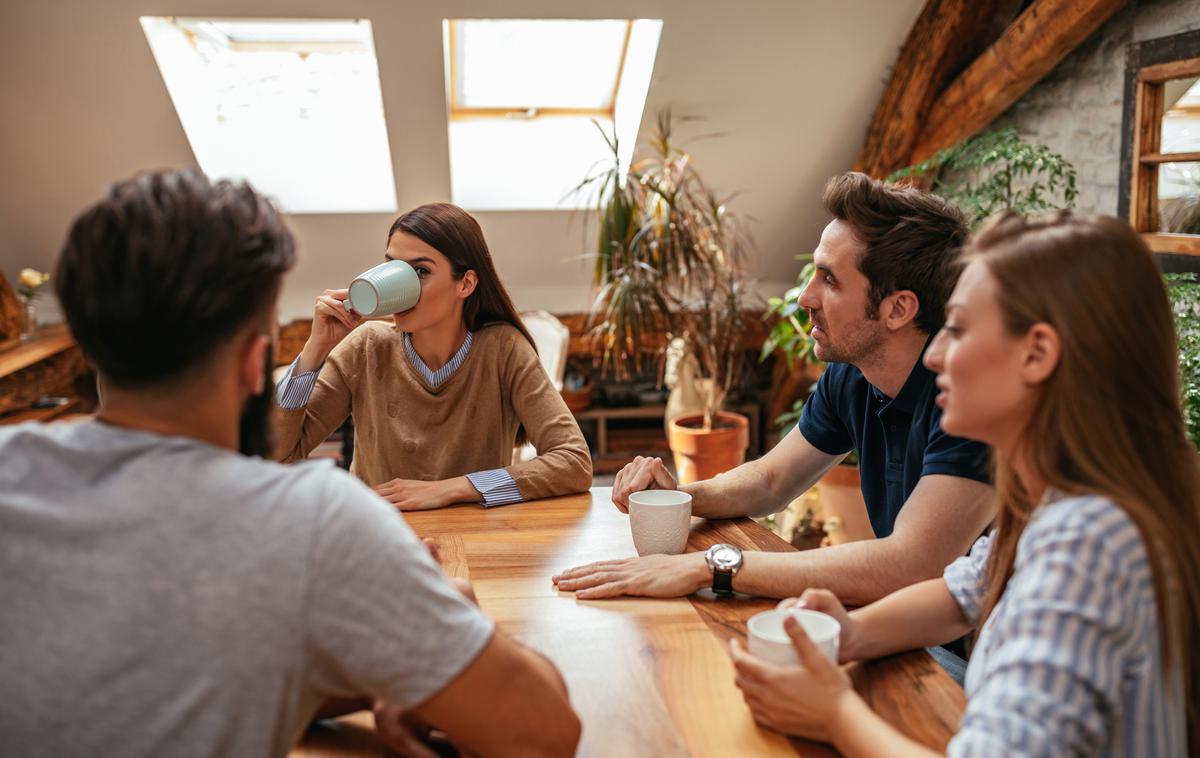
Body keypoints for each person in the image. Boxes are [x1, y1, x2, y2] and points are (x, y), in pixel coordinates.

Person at [0, 171, 581, 757]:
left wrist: (451, 493)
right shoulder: (319, 525)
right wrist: (432, 624)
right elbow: (543, 732)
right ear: (257, 363)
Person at [730, 212, 1199, 756]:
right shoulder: (1069, 497)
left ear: (1037, 354)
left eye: (957, 328)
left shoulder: (1087, 542)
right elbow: (963, 591)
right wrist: (849, 634)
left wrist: (835, 713)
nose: (934, 354)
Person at [554, 173, 992, 609]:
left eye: (829, 280)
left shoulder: (972, 399)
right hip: (910, 623)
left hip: (975, 655)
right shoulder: (855, 375)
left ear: (898, 308)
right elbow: (771, 479)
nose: (804, 297)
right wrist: (681, 496)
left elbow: (909, 565)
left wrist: (713, 567)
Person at [273, 202, 591, 511]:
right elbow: (276, 456)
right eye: (393, 268)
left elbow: (573, 462)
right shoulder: (366, 347)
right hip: (383, 539)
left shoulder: (503, 349)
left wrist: (452, 489)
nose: (402, 285)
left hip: (475, 542)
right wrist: (314, 350)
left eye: (420, 271)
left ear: (465, 283)